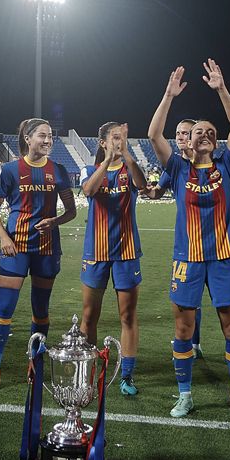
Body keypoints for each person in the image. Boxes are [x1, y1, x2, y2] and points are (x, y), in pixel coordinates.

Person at [147, 61, 230, 421]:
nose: (205, 135)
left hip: (223, 258)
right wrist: (168, 95)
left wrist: (221, 89)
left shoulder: (227, 163)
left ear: (217, 140)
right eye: (198, 133)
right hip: (187, 259)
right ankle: (185, 395)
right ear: (188, 142)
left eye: (210, 132)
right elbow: (153, 136)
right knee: (183, 328)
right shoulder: (178, 167)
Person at [0, 116, 76, 392]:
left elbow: (71, 211)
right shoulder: (11, 170)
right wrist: (3, 238)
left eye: (50, 137)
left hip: (46, 248)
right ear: (28, 138)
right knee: (4, 309)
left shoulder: (57, 170)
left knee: (41, 310)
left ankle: (35, 363)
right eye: (42, 136)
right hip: (16, 246)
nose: (48, 141)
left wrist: (55, 222)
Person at [80, 121, 147, 395]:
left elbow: (141, 184)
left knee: (128, 315)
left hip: (127, 253)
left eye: (122, 138)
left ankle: (127, 376)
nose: (119, 142)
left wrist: (127, 156)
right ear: (103, 143)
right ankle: (87, 372)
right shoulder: (90, 170)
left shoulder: (130, 170)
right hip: (96, 251)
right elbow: (88, 191)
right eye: (114, 138)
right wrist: (107, 161)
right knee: (89, 315)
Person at [146, 118, 207, 360]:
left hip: (216, 245)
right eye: (178, 133)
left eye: (185, 133)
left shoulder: (209, 162)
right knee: (189, 300)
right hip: (186, 247)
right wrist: (146, 189)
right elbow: (156, 192)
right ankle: (193, 344)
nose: (180, 137)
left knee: (226, 304)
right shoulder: (174, 166)